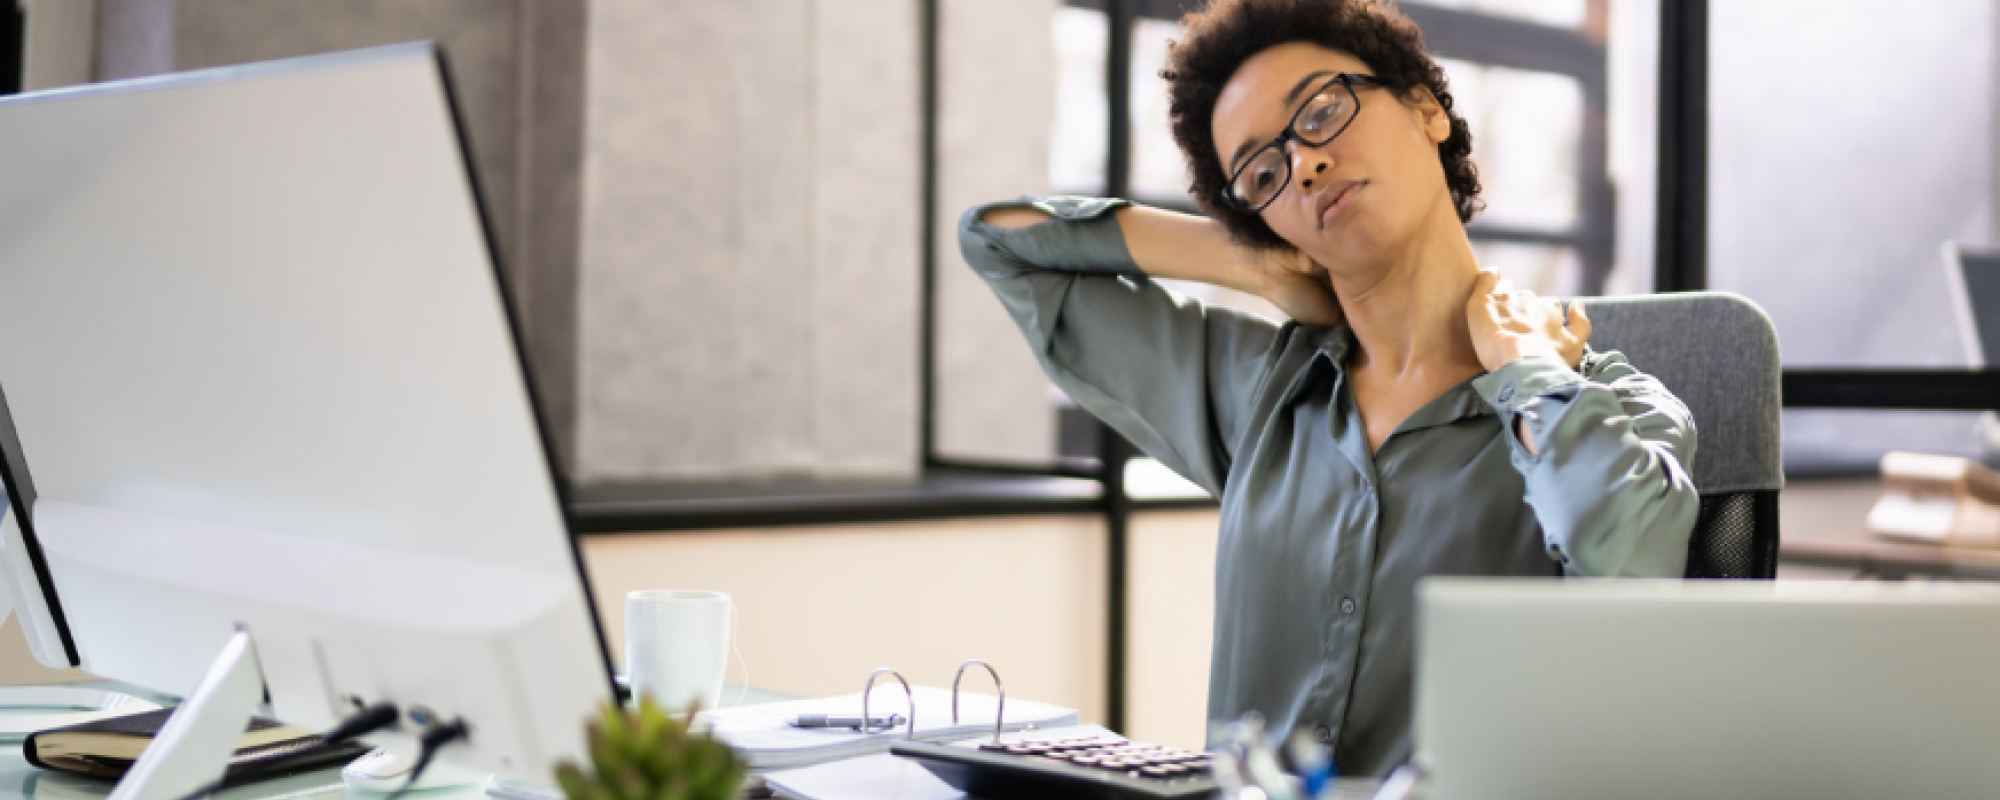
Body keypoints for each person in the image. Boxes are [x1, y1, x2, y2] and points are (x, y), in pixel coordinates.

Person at [958, 0, 1699, 778]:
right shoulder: (1258, 392)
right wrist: (1251, 261)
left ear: (1424, 108)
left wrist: (1523, 365)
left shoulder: (1612, 404)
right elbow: (999, 244)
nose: (1304, 164)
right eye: (1264, 173)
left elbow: (1626, 555)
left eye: (1321, 111)